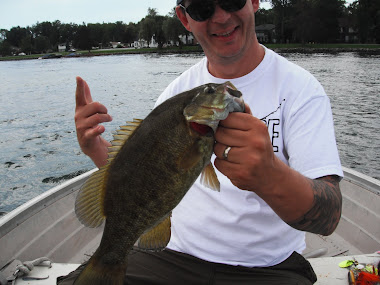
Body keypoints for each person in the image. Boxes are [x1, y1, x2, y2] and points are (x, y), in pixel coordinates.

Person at [73, 0, 343, 283]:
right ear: (185, 18)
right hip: (170, 256)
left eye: (232, 0)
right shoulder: (176, 94)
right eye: (203, 8)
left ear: (253, 2)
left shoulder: (301, 90)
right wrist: (95, 148)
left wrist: (269, 175)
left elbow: (329, 216)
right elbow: (145, 177)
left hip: (266, 267)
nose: (222, 17)